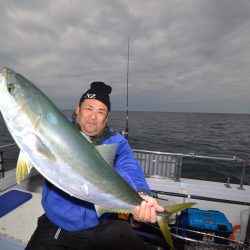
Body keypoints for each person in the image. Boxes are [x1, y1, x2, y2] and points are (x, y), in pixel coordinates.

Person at [25, 81, 164, 250]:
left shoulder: (116, 142)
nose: (93, 116)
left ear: (107, 117)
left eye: (101, 112)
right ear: (78, 109)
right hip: (59, 222)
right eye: (89, 108)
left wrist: (141, 194)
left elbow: (128, 167)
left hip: (100, 223)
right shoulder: (57, 128)